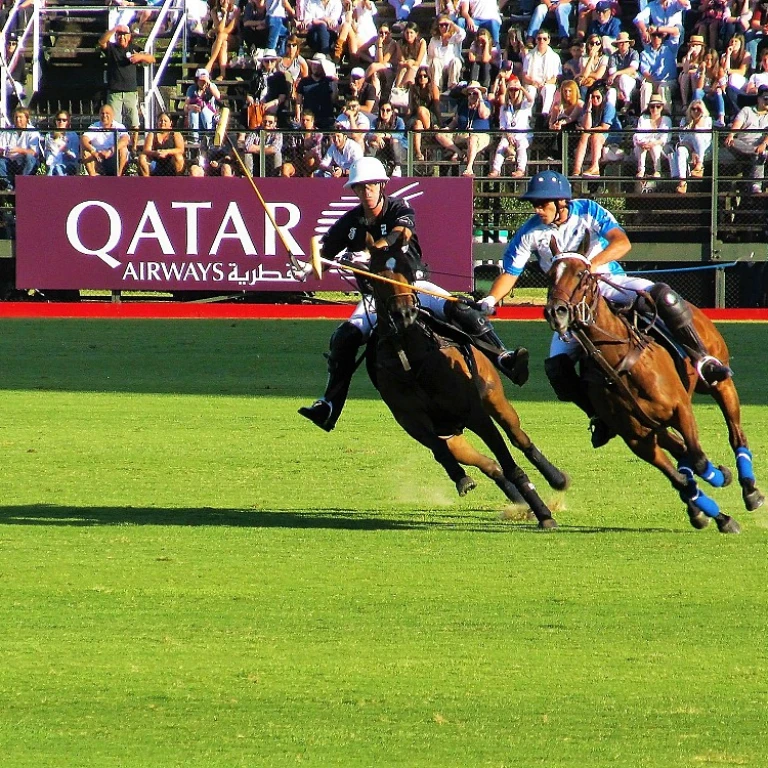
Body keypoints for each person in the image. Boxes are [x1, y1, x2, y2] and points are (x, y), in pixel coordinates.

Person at [480, 171, 733, 447]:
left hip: (610, 282)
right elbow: (510, 273)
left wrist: (590, 265)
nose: (537, 209)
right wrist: (490, 301)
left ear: (561, 202)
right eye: (535, 205)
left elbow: (621, 242)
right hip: (571, 304)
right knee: (557, 370)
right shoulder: (530, 232)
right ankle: (600, 416)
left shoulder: (588, 210)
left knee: (664, 297)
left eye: (543, 204)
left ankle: (703, 360)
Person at [298, 157, 529, 432]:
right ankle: (329, 405)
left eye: (371, 185)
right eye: (360, 187)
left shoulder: (399, 208)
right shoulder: (350, 223)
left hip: (414, 287)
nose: (367, 191)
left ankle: (503, 358)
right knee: (344, 338)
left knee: (463, 311)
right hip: (377, 300)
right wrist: (306, 266)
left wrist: (371, 252)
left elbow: (400, 235)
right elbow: (323, 255)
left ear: (382, 184)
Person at [98, 24, 155, 134]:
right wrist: (115, 29)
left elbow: (152, 59)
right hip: (115, 92)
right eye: (119, 35)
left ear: (129, 37)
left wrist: (141, 57)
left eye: (124, 35)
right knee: (114, 122)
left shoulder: (135, 48)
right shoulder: (112, 48)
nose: (122, 37)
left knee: (134, 122)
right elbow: (101, 41)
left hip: (131, 91)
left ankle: (133, 147)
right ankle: (116, 143)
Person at [434, 80, 492, 177]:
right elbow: (455, 122)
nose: (472, 96)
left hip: (480, 135)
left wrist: (480, 98)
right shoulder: (463, 106)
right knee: (439, 134)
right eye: (469, 94)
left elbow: (483, 115)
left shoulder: (485, 104)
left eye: (475, 93)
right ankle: (459, 152)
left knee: (472, 139)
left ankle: (469, 169)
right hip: (462, 134)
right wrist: (447, 129)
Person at [723, 84, 768, 193]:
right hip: (743, 145)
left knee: (759, 154)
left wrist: (764, 144)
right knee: (732, 142)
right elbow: (737, 124)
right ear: (758, 99)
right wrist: (731, 135)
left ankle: (756, 186)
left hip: (761, 146)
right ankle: (757, 153)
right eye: (765, 99)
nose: (767, 101)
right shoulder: (747, 110)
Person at [488, 76, 534, 177]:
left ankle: (520, 170)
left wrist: (521, 88)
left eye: (515, 90)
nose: (513, 92)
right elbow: (502, 124)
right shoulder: (505, 107)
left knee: (521, 146)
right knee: (501, 146)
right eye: (511, 90)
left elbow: (531, 99)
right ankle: (496, 170)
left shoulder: (525, 104)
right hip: (509, 134)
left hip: (523, 135)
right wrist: (507, 134)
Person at [669, 99, 713, 193]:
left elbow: (704, 136)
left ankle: (700, 166)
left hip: (704, 148)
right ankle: (682, 182)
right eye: (693, 109)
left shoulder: (707, 120)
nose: (695, 111)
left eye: (698, 109)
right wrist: (692, 151)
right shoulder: (684, 120)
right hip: (688, 147)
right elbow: (682, 138)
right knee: (680, 150)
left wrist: (699, 119)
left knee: (697, 134)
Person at [520, 30, 562, 119]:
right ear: (536, 40)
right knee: (530, 90)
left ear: (548, 40)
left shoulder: (555, 57)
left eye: (544, 39)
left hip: (547, 83)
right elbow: (524, 76)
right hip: (532, 83)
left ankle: (545, 115)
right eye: (539, 39)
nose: (541, 41)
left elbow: (555, 78)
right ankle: (525, 116)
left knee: (549, 88)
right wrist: (533, 82)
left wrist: (544, 83)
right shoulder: (529, 56)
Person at [80, 104, 130, 176]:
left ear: (113, 115)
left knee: (123, 149)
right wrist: (93, 152)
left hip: (113, 157)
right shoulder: (94, 126)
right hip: (97, 158)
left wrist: (111, 151)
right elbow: (84, 139)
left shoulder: (119, 126)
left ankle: (118, 176)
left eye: (107, 113)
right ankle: (92, 177)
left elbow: (125, 139)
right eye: (102, 113)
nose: (104, 115)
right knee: (85, 151)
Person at [0, 106, 40, 190]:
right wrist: (3, 151)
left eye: (20, 117)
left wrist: (20, 150)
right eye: (16, 117)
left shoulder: (33, 131)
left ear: (27, 118)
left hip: (25, 163)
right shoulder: (8, 130)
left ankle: (22, 185)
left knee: (30, 158)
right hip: (10, 162)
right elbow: (1, 147)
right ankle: (9, 186)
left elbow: (34, 152)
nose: (18, 120)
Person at [295, 53, 338, 130]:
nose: (315, 67)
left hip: (325, 118)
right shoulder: (304, 81)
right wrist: (298, 115)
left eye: (318, 65)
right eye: (313, 64)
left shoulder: (329, 81)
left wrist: (335, 83)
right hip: (309, 119)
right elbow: (299, 101)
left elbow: (333, 99)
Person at [633, 92, 671, 177]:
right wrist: (642, 143)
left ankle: (657, 170)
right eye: (652, 106)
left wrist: (652, 143)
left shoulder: (666, 119)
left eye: (658, 106)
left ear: (662, 107)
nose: (655, 109)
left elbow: (665, 138)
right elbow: (638, 135)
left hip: (661, 149)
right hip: (644, 147)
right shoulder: (643, 118)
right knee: (640, 146)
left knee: (654, 144)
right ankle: (641, 171)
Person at [138, 111, 186, 176]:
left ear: (170, 123)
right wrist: (156, 153)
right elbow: (146, 150)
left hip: (170, 164)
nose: (163, 123)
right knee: (142, 157)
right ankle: (147, 183)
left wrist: (166, 152)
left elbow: (180, 149)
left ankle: (179, 183)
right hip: (155, 163)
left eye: (165, 121)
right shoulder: (152, 134)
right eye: (161, 121)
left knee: (179, 157)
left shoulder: (175, 133)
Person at [365, 100, 407, 175]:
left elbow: (400, 135)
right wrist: (376, 137)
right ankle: (369, 166)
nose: (385, 112)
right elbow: (369, 134)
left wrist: (386, 135)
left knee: (394, 140)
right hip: (382, 147)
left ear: (392, 112)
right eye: (382, 110)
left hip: (399, 149)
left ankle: (397, 167)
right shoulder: (375, 122)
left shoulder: (399, 121)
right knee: (373, 142)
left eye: (388, 110)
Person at [427, 15, 466, 91]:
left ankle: (452, 87)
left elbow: (462, 34)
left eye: (446, 25)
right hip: (438, 68)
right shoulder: (434, 40)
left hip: (452, 67)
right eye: (441, 25)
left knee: (456, 61)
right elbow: (430, 56)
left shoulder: (455, 37)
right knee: (434, 61)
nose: (444, 27)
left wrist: (452, 23)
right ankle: (437, 88)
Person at [281, 108, 324, 176]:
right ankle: (287, 186)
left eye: (307, 120)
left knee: (310, 159)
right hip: (298, 162)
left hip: (315, 163)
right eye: (303, 120)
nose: (304, 122)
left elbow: (315, 151)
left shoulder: (318, 134)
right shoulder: (296, 133)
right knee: (285, 167)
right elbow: (291, 147)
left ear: (312, 122)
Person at [206, 0, 241, 80]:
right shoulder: (214, 11)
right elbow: (220, 29)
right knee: (223, 43)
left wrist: (213, 30)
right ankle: (222, 74)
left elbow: (229, 30)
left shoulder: (236, 11)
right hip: (221, 41)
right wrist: (225, 15)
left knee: (221, 36)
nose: (225, 1)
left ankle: (210, 64)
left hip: (234, 38)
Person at [606, 31, 640, 113]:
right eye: (620, 43)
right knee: (611, 91)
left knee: (624, 77)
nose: (623, 44)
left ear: (629, 44)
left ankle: (627, 102)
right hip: (618, 83)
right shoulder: (613, 57)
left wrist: (617, 73)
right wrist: (618, 89)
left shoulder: (634, 53)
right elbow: (612, 76)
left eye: (625, 42)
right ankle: (610, 113)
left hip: (633, 81)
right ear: (617, 45)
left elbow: (633, 69)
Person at [184, 68, 221, 143]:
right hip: (196, 119)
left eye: (204, 80)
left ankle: (209, 136)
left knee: (204, 109)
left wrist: (209, 84)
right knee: (193, 111)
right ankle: (194, 138)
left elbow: (218, 97)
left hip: (209, 117)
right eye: (200, 80)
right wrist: (191, 106)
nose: (202, 82)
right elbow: (185, 107)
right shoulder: (192, 89)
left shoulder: (212, 86)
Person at [43, 110, 80, 176]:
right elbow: (46, 153)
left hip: (68, 164)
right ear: (55, 121)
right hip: (53, 163)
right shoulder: (49, 135)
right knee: (52, 169)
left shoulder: (73, 135)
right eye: (59, 120)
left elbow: (75, 156)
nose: (61, 122)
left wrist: (66, 151)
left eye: (64, 120)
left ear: (68, 122)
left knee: (58, 168)